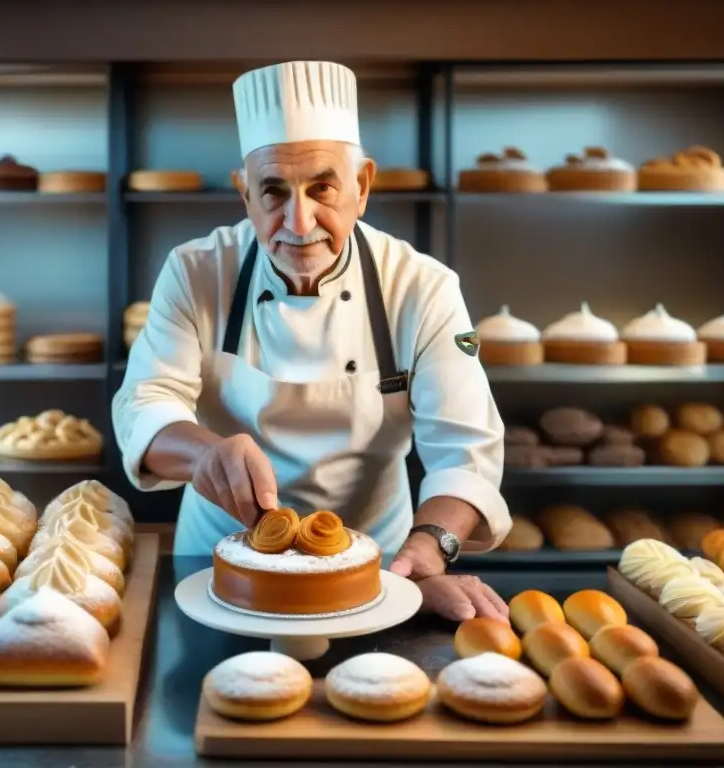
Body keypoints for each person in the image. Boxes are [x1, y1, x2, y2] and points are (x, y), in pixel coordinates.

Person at [112, 61, 512, 622]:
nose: (299, 223)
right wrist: (206, 451)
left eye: (322, 188)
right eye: (273, 193)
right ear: (244, 193)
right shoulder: (196, 272)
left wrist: (429, 548)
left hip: (378, 568)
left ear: (363, 186)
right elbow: (144, 404)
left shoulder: (423, 287)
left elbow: (464, 446)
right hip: (218, 566)